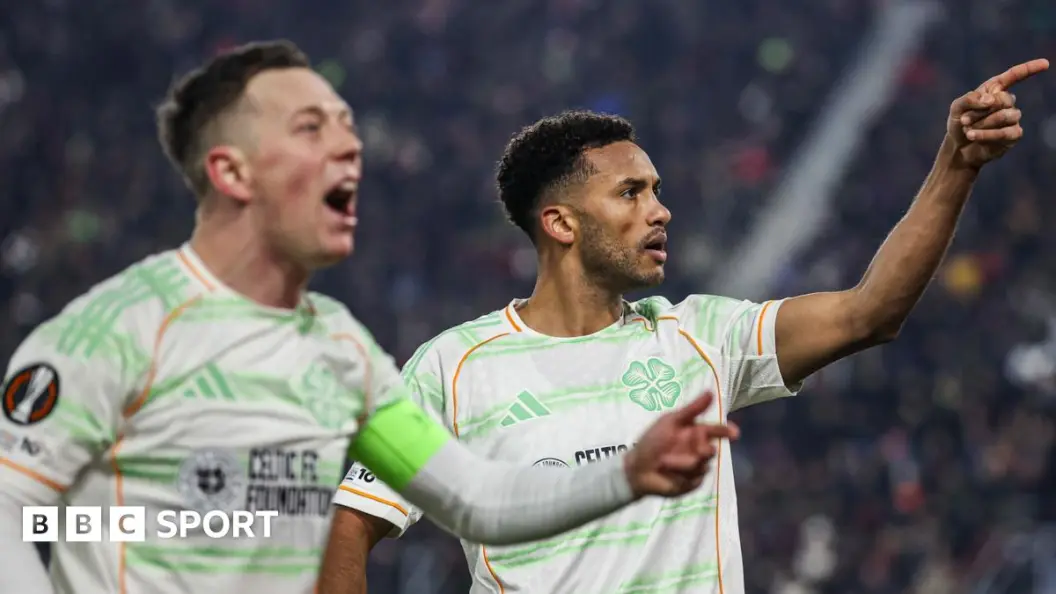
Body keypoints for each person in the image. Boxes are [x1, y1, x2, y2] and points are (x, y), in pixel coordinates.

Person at [0, 40, 740, 594]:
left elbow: (471, 501)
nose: (347, 152)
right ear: (231, 171)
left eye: (343, 130)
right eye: (308, 133)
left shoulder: (342, 350)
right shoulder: (103, 340)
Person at [319, 59, 1049, 594]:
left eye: (658, 191)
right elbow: (350, 524)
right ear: (561, 223)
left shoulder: (700, 335)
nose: (660, 210)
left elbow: (869, 312)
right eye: (631, 193)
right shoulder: (453, 367)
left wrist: (956, 166)